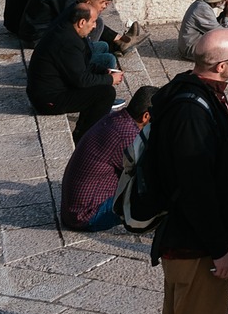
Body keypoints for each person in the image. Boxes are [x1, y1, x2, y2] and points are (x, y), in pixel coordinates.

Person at [146, 28, 228, 314]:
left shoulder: (200, 94)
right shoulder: (192, 111)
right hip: (197, 246)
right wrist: (219, 249)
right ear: (222, 67)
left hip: (198, 238)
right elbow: (195, 188)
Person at [60, 84, 158, 231]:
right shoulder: (128, 135)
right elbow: (146, 176)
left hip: (74, 210)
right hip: (88, 215)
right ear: (146, 116)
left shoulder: (117, 118)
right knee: (161, 197)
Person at [26, 4, 122, 141]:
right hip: (48, 100)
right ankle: (85, 138)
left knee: (99, 85)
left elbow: (80, 66)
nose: (95, 26)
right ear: (82, 22)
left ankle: (83, 130)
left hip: (55, 88)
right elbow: (81, 80)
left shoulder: (69, 31)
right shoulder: (68, 42)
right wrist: (110, 80)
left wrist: (103, 71)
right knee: (106, 93)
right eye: (93, 21)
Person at [179, 0, 228, 91]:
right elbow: (222, 33)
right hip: (191, 49)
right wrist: (227, 14)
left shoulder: (201, 5)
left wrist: (223, 15)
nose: (226, 0)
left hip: (196, 41)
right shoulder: (202, 10)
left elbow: (214, 25)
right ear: (217, 0)